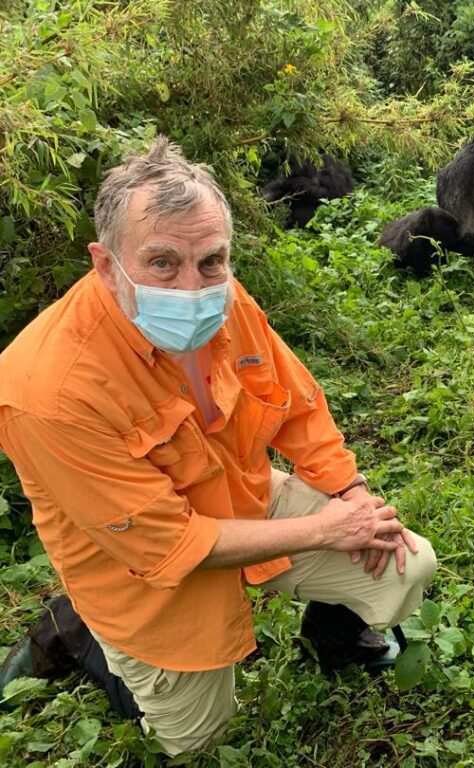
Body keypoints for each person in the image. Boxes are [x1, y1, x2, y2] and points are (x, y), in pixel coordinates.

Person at [0, 137, 436, 756]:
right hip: (138, 562)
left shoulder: (224, 301)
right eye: (161, 263)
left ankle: (336, 636)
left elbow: (299, 403)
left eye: (211, 260)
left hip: (240, 495)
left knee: (406, 565)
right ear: (104, 263)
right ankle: (81, 632)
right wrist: (327, 529)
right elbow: (172, 543)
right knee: (198, 739)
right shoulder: (47, 390)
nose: (191, 286)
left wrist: (352, 498)